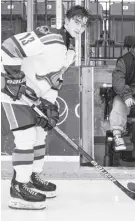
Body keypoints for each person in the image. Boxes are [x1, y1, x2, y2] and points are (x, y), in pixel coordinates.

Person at [1, 5, 91, 210]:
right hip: (12, 94)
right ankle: (18, 188)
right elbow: (8, 46)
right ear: (66, 21)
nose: (80, 27)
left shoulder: (70, 52)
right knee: (26, 138)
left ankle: (32, 177)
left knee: (40, 135)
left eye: (84, 25)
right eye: (76, 22)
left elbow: (53, 80)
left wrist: (48, 104)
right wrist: (14, 79)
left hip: (34, 98)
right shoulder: (48, 36)